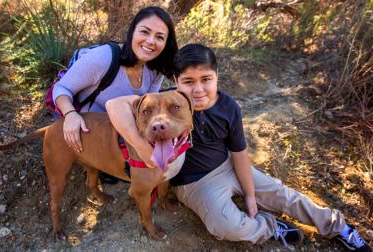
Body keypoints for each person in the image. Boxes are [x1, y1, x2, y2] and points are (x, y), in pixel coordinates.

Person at [105, 44, 372, 251]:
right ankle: (269, 226)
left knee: (282, 194)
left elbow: (239, 153)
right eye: (188, 81)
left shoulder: (228, 106)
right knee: (226, 225)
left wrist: (251, 195)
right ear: (176, 80)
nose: (198, 89)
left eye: (206, 79)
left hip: (229, 166)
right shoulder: (167, 102)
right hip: (195, 183)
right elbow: (116, 105)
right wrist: (141, 144)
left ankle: (338, 226)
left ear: (217, 76)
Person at [52, 6, 178, 183]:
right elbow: (62, 88)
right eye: (145, 32)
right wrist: (70, 115)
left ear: (166, 44)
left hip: (120, 124)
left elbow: (147, 106)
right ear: (132, 31)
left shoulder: (155, 69)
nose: (151, 41)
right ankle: (100, 164)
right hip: (90, 126)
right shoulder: (103, 58)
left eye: (160, 37)